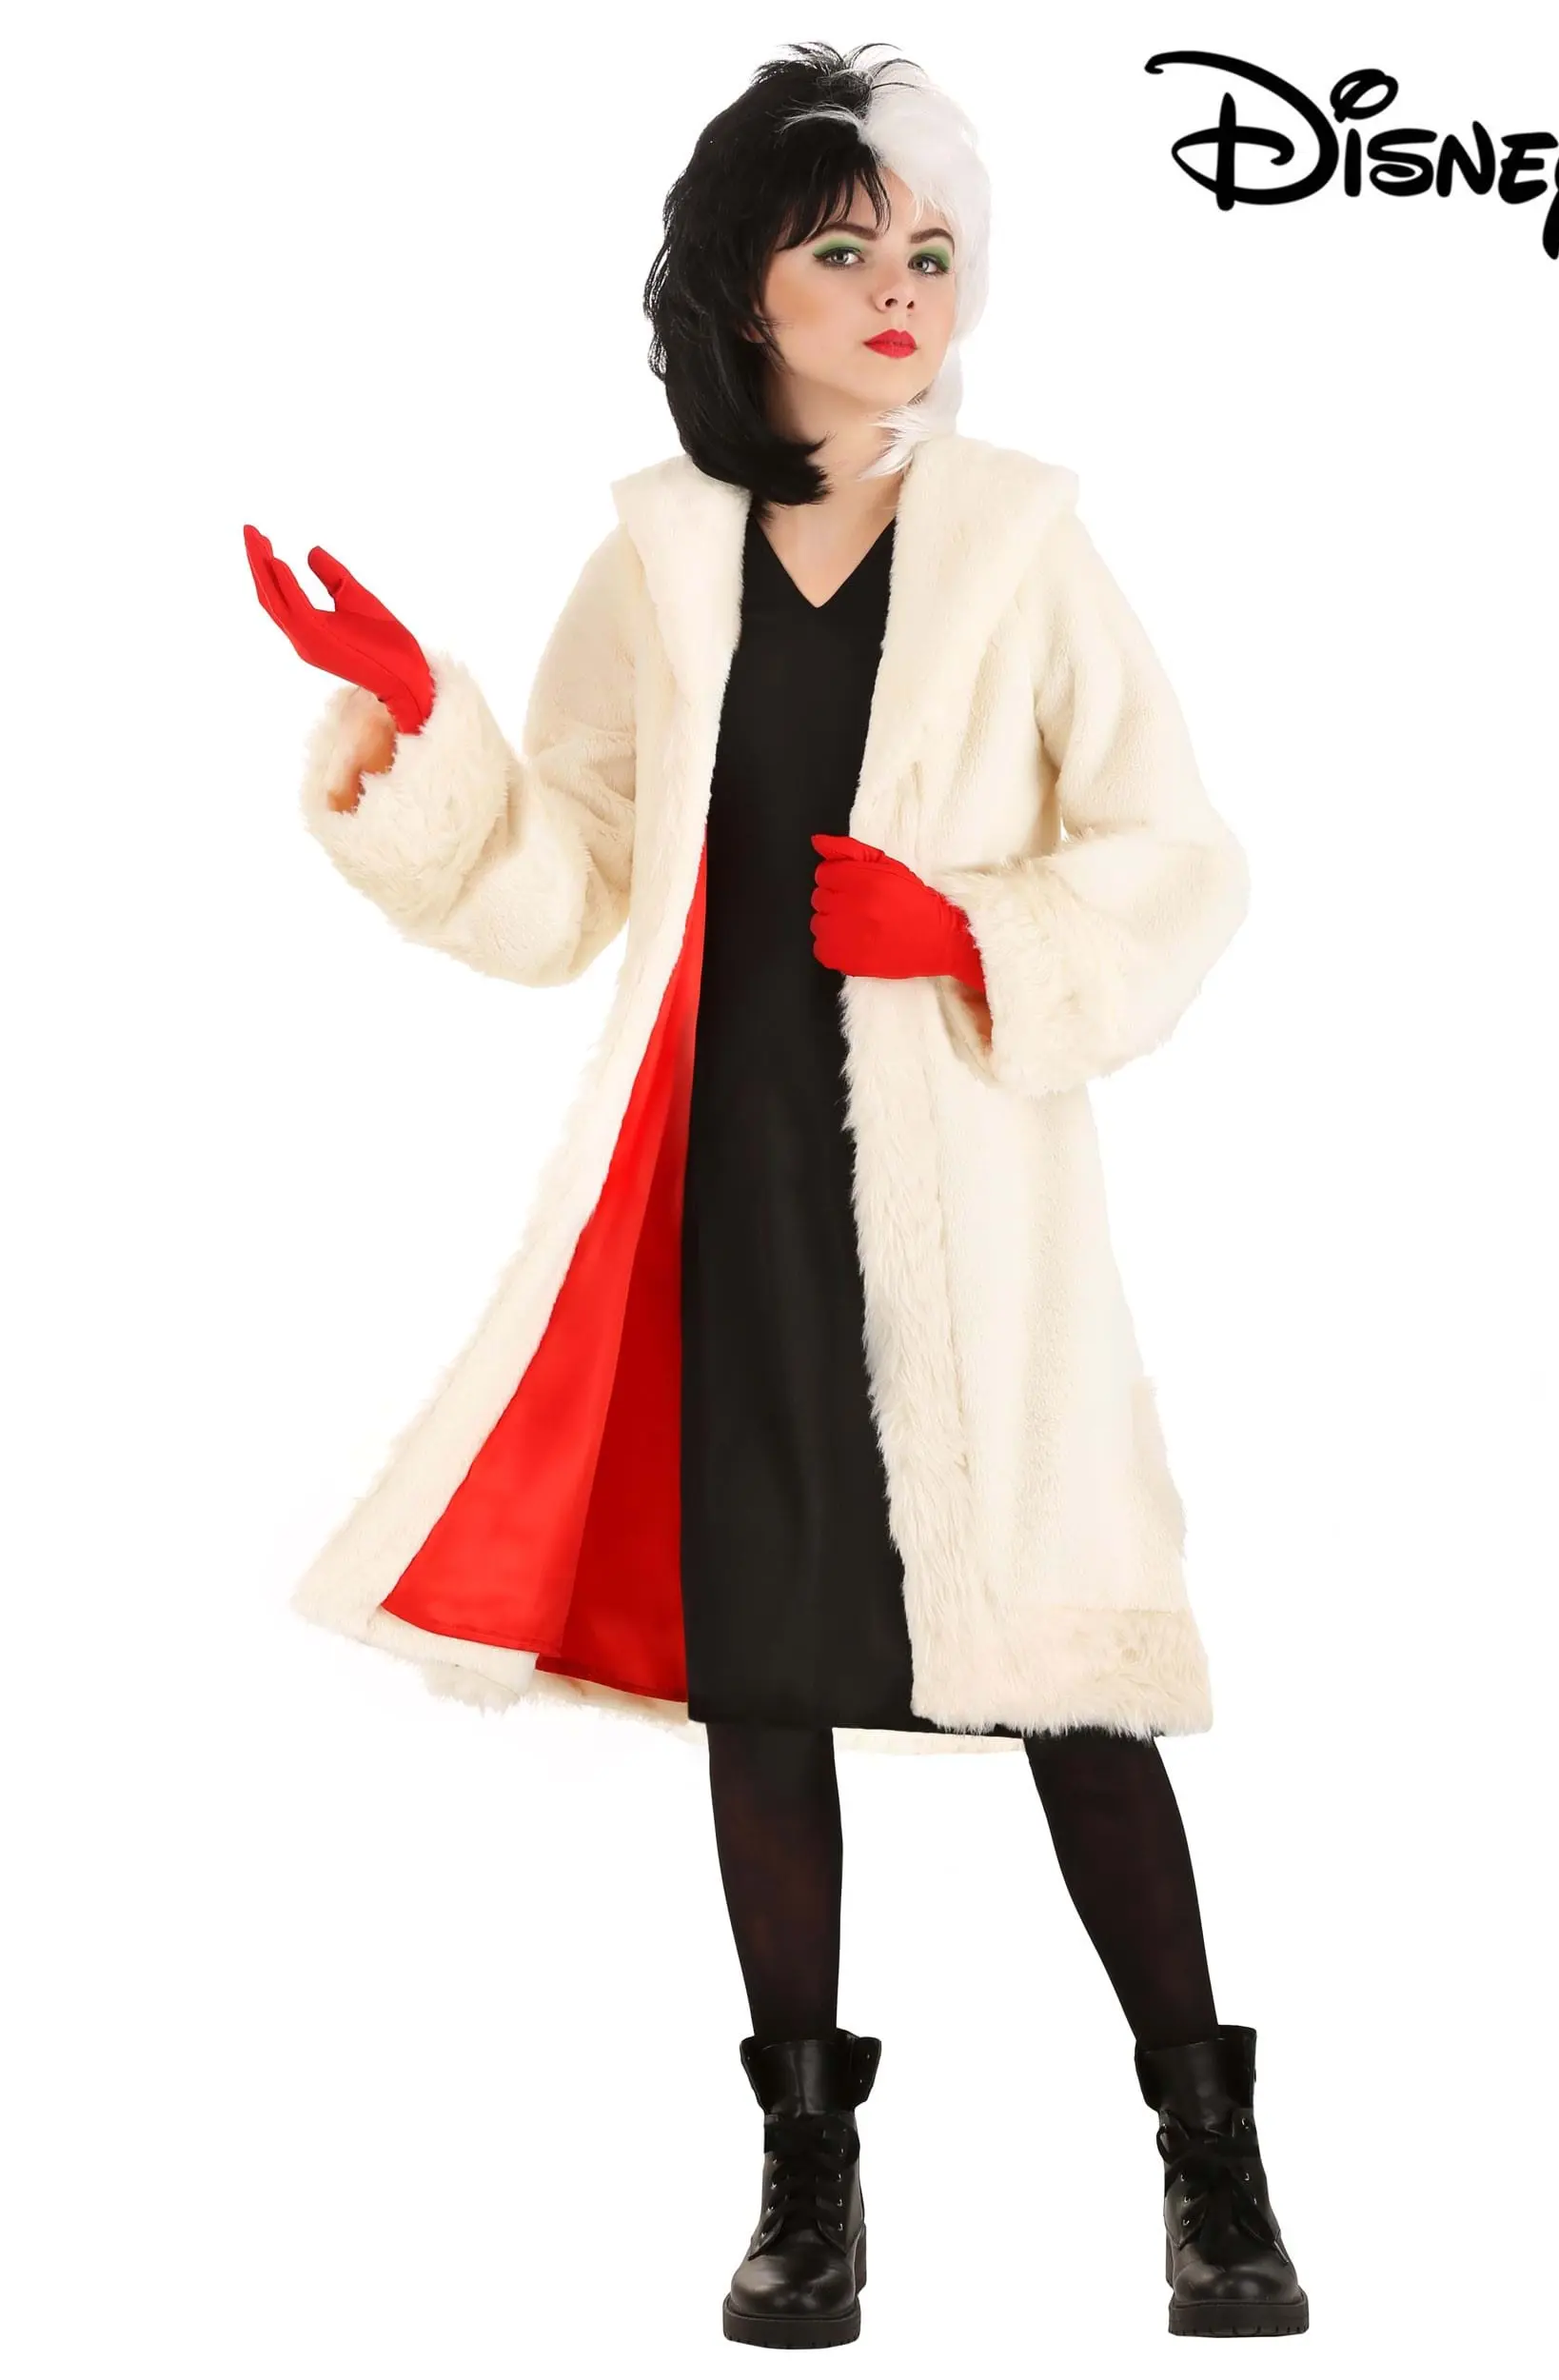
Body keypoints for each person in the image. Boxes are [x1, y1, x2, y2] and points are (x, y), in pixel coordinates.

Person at [245, 39, 1308, 2349]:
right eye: (845, 249)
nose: (900, 287)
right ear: (745, 286)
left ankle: (1208, 2159)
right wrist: (421, 723)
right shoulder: (655, 554)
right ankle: (806, 2183)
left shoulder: (1020, 540)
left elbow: (1173, 855)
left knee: (1070, 1684)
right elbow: (568, 875)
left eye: (928, 248)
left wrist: (971, 931)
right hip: (730, 1195)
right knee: (762, 1689)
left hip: (968, 1224)